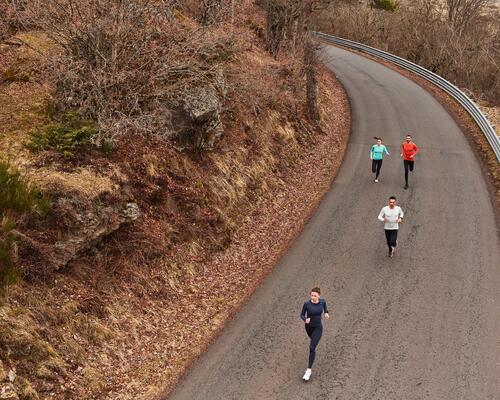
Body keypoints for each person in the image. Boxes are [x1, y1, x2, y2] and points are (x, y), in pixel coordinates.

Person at [300, 287, 329, 381]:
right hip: (308, 328)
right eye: (311, 295)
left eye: (315, 296)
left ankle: (308, 370)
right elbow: (302, 314)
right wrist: (305, 319)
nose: (313, 297)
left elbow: (325, 308)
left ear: (319, 296)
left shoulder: (322, 302)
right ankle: (309, 368)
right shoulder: (307, 304)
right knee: (312, 342)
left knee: (312, 347)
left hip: (318, 328)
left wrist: (326, 313)